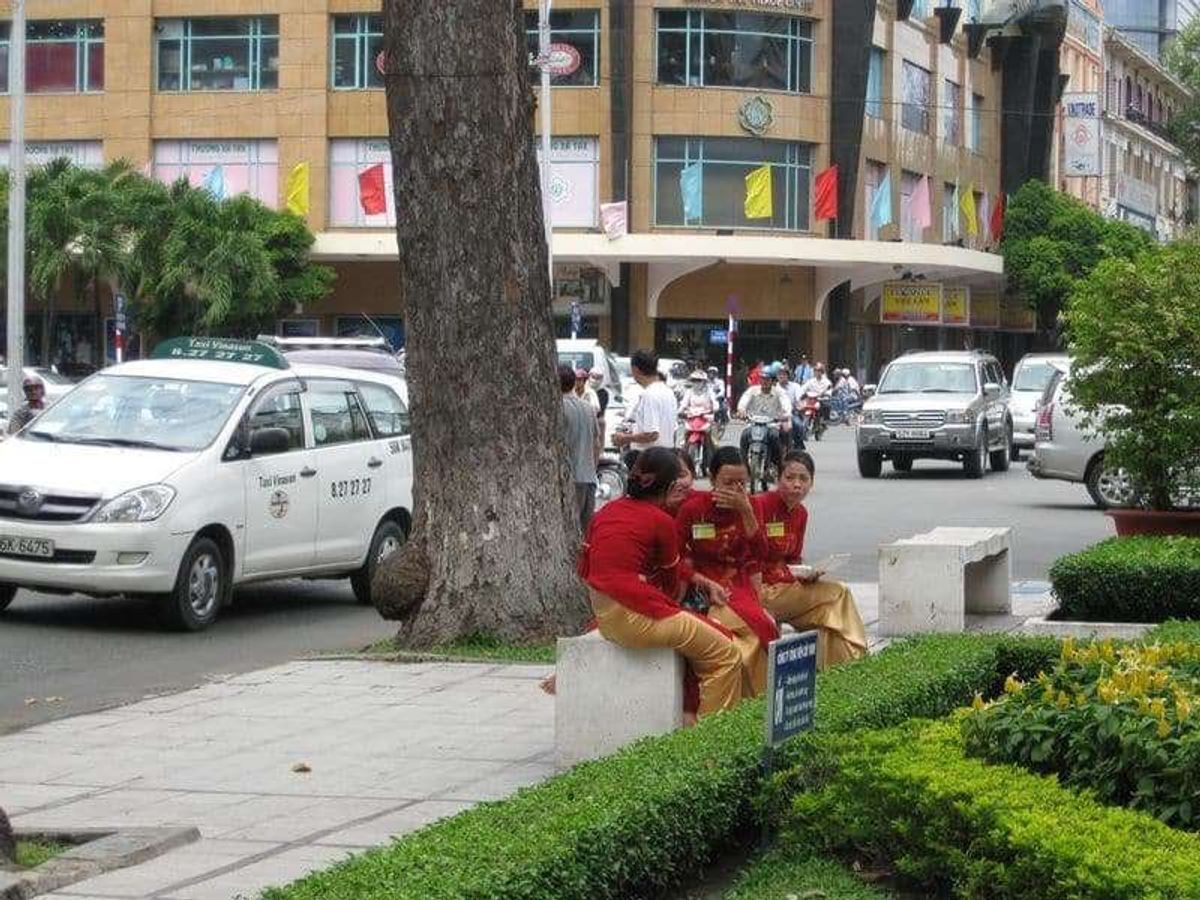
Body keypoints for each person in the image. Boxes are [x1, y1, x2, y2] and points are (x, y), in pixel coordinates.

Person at [579, 448, 744, 717]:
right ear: (668, 486)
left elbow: (584, 567)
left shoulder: (606, 511)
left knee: (697, 634)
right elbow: (669, 583)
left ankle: (691, 719)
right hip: (637, 616)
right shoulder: (661, 520)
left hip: (605, 614)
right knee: (726, 653)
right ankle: (710, 743)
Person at [676, 447, 779, 696]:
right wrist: (697, 579)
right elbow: (674, 558)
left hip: (739, 581)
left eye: (741, 483)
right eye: (728, 483)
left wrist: (746, 511)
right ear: (712, 480)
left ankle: (760, 698)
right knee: (745, 634)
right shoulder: (693, 509)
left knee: (762, 628)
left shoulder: (752, 505)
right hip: (704, 584)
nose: (735, 490)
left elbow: (762, 553)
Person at [753, 452, 868, 670]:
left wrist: (807, 573)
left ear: (811, 483)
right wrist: (788, 576)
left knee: (829, 619)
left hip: (788, 587)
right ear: (778, 478)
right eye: (790, 478)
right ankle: (861, 659)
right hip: (764, 589)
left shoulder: (801, 513)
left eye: (803, 479)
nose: (797, 485)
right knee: (839, 592)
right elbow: (751, 558)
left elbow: (793, 557)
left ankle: (838, 673)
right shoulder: (760, 505)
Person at [613, 350, 678, 466]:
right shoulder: (668, 391)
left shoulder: (650, 394)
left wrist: (625, 438)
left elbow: (652, 434)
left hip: (650, 459)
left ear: (635, 370)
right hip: (667, 454)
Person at [560, 364, 600, 532]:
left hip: (569, 479)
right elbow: (596, 444)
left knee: (568, 531)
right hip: (589, 477)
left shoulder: (558, 408)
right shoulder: (588, 408)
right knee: (583, 533)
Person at [736, 365, 788, 475]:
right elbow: (743, 402)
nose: (764, 382)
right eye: (762, 379)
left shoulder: (779, 392)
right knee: (744, 437)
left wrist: (784, 414)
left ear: (773, 381)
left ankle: (777, 466)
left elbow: (786, 405)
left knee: (774, 438)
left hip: (771, 424)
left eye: (767, 379)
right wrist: (741, 411)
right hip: (753, 423)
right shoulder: (752, 391)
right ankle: (745, 467)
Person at [777, 365, 806, 450]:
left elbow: (800, 398)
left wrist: (801, 405)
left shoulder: (795, 386)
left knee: (799, 425)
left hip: (791, 414)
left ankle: (798, 444)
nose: (781, 376)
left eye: (784, 374)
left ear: (788, 375)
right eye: (780, 374)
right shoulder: (774, 387)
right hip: (775, 415)